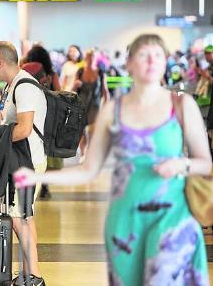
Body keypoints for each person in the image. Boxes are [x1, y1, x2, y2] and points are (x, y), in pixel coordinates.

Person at [14, 34, 212, 286]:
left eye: (158, 55)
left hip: (172, 217)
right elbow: (88, 170)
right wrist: (37, 176)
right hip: (125, 222)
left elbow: (205, 162)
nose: (151, 61)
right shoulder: (114, 110)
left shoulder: (182, 105)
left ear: (165, 62)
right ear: (128, 64)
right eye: (143, 55)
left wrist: (181, 165)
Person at [0, 41, 47, 286]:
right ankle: (28, 275)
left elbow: (22, 129)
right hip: (20, 161)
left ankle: (35, 276)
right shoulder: (12, 86)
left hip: (27, 162)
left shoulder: (24, 87)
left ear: (0, 62)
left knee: (18, 218)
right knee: (23, 218)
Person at [21, 44, 62, 199]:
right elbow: (59, 94)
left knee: (30, 149)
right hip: (48, 116)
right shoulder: (51, 74)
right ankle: (43, 184)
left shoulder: (24, 71)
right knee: (45, 151)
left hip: (29, 113)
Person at [74, 49, 110, 160]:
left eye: (92, 57)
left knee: (93, 131)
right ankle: (83, 153)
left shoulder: (100, 72)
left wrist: (107, 108)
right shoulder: (80, 71)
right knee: (81, 131)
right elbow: (74, 89)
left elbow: (105, 91)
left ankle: (90, 153)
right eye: (88, 57)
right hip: (81, 104)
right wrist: (76, 85)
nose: (90, 59)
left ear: (96, 58)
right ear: (85, 58)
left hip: (95, 105)